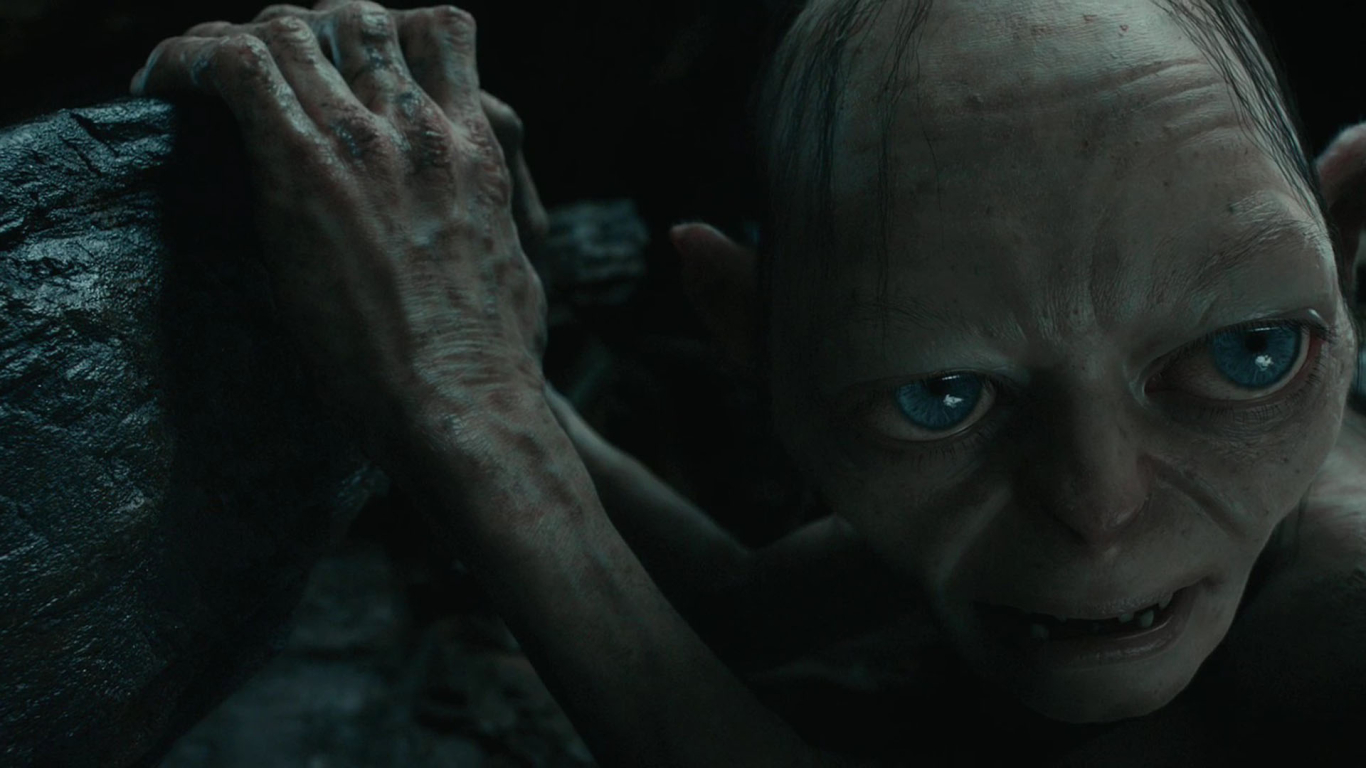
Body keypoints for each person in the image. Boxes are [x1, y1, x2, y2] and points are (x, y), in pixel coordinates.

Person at [129, 0, 1366, 763]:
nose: (1097, 507)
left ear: (1349, 253)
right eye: (943, 395)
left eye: (1247, 353)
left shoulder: (1336, 607)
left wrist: (467, 405)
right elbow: (741, 611)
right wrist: (474, 323)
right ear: (747, 332)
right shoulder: (1193, 508)